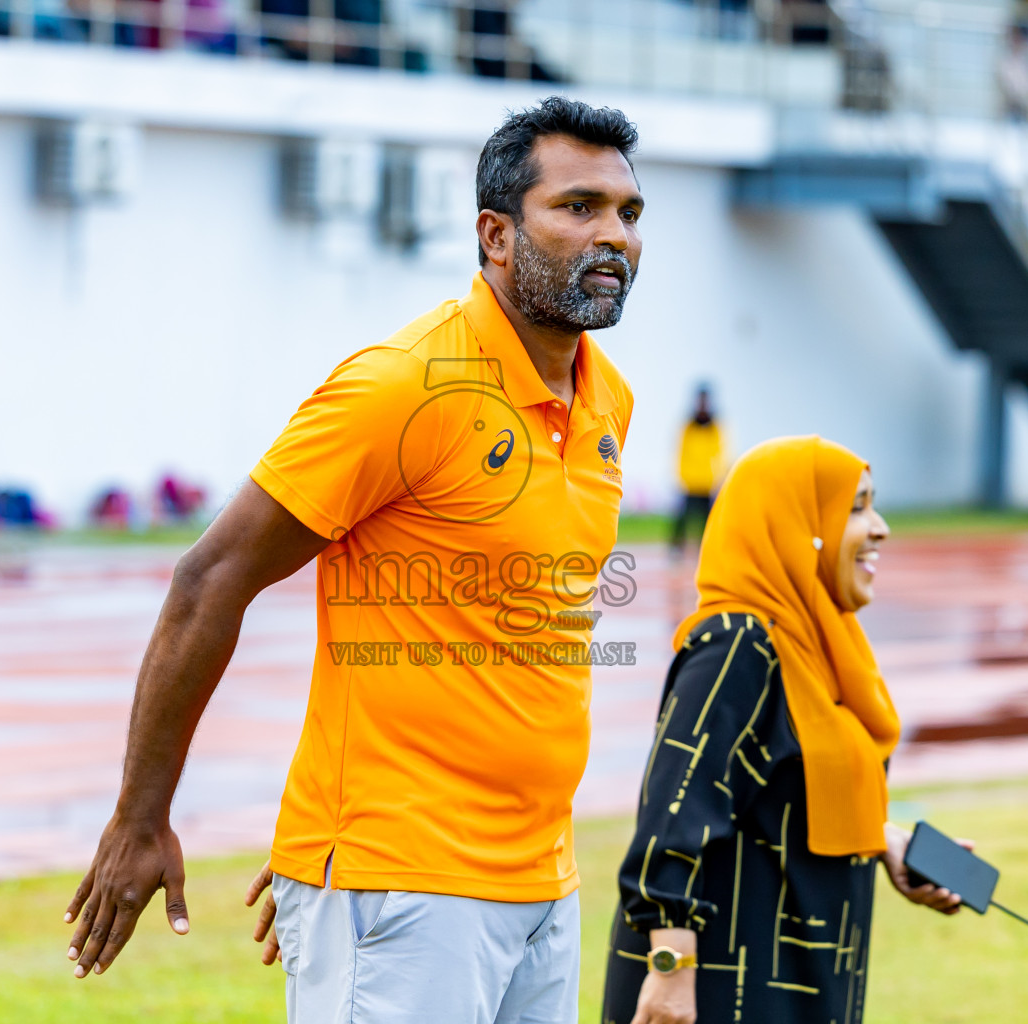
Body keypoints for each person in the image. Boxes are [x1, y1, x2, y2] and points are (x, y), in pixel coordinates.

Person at [62, 97, 646, 1024]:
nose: (612, 234)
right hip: (408, 882)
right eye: (578, 208)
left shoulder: (604, 395)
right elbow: (211, 578)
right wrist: (143, 816)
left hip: (545, 878)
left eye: (627, 212)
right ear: (496, 235)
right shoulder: (402, 383)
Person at [602, 436, 971, 1024]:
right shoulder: (737, 647)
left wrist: (882, 839)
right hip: (727, 990)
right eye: (855, 508)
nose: (880, 528)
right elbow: (674, 816)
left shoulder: (816, 652)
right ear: (794, 526)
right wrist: (671, 972)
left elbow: (781, 786)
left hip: (799, 977)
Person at [669, 386, 724, 556]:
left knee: (710, 522)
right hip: (690, 481)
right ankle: (676, 548)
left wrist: (717, 478)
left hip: (708, 483)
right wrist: (681, 476)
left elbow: (721, 452)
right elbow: (680, 451)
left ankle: (708, 549)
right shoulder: (688, 425)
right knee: (681, 519)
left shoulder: (716, 426)